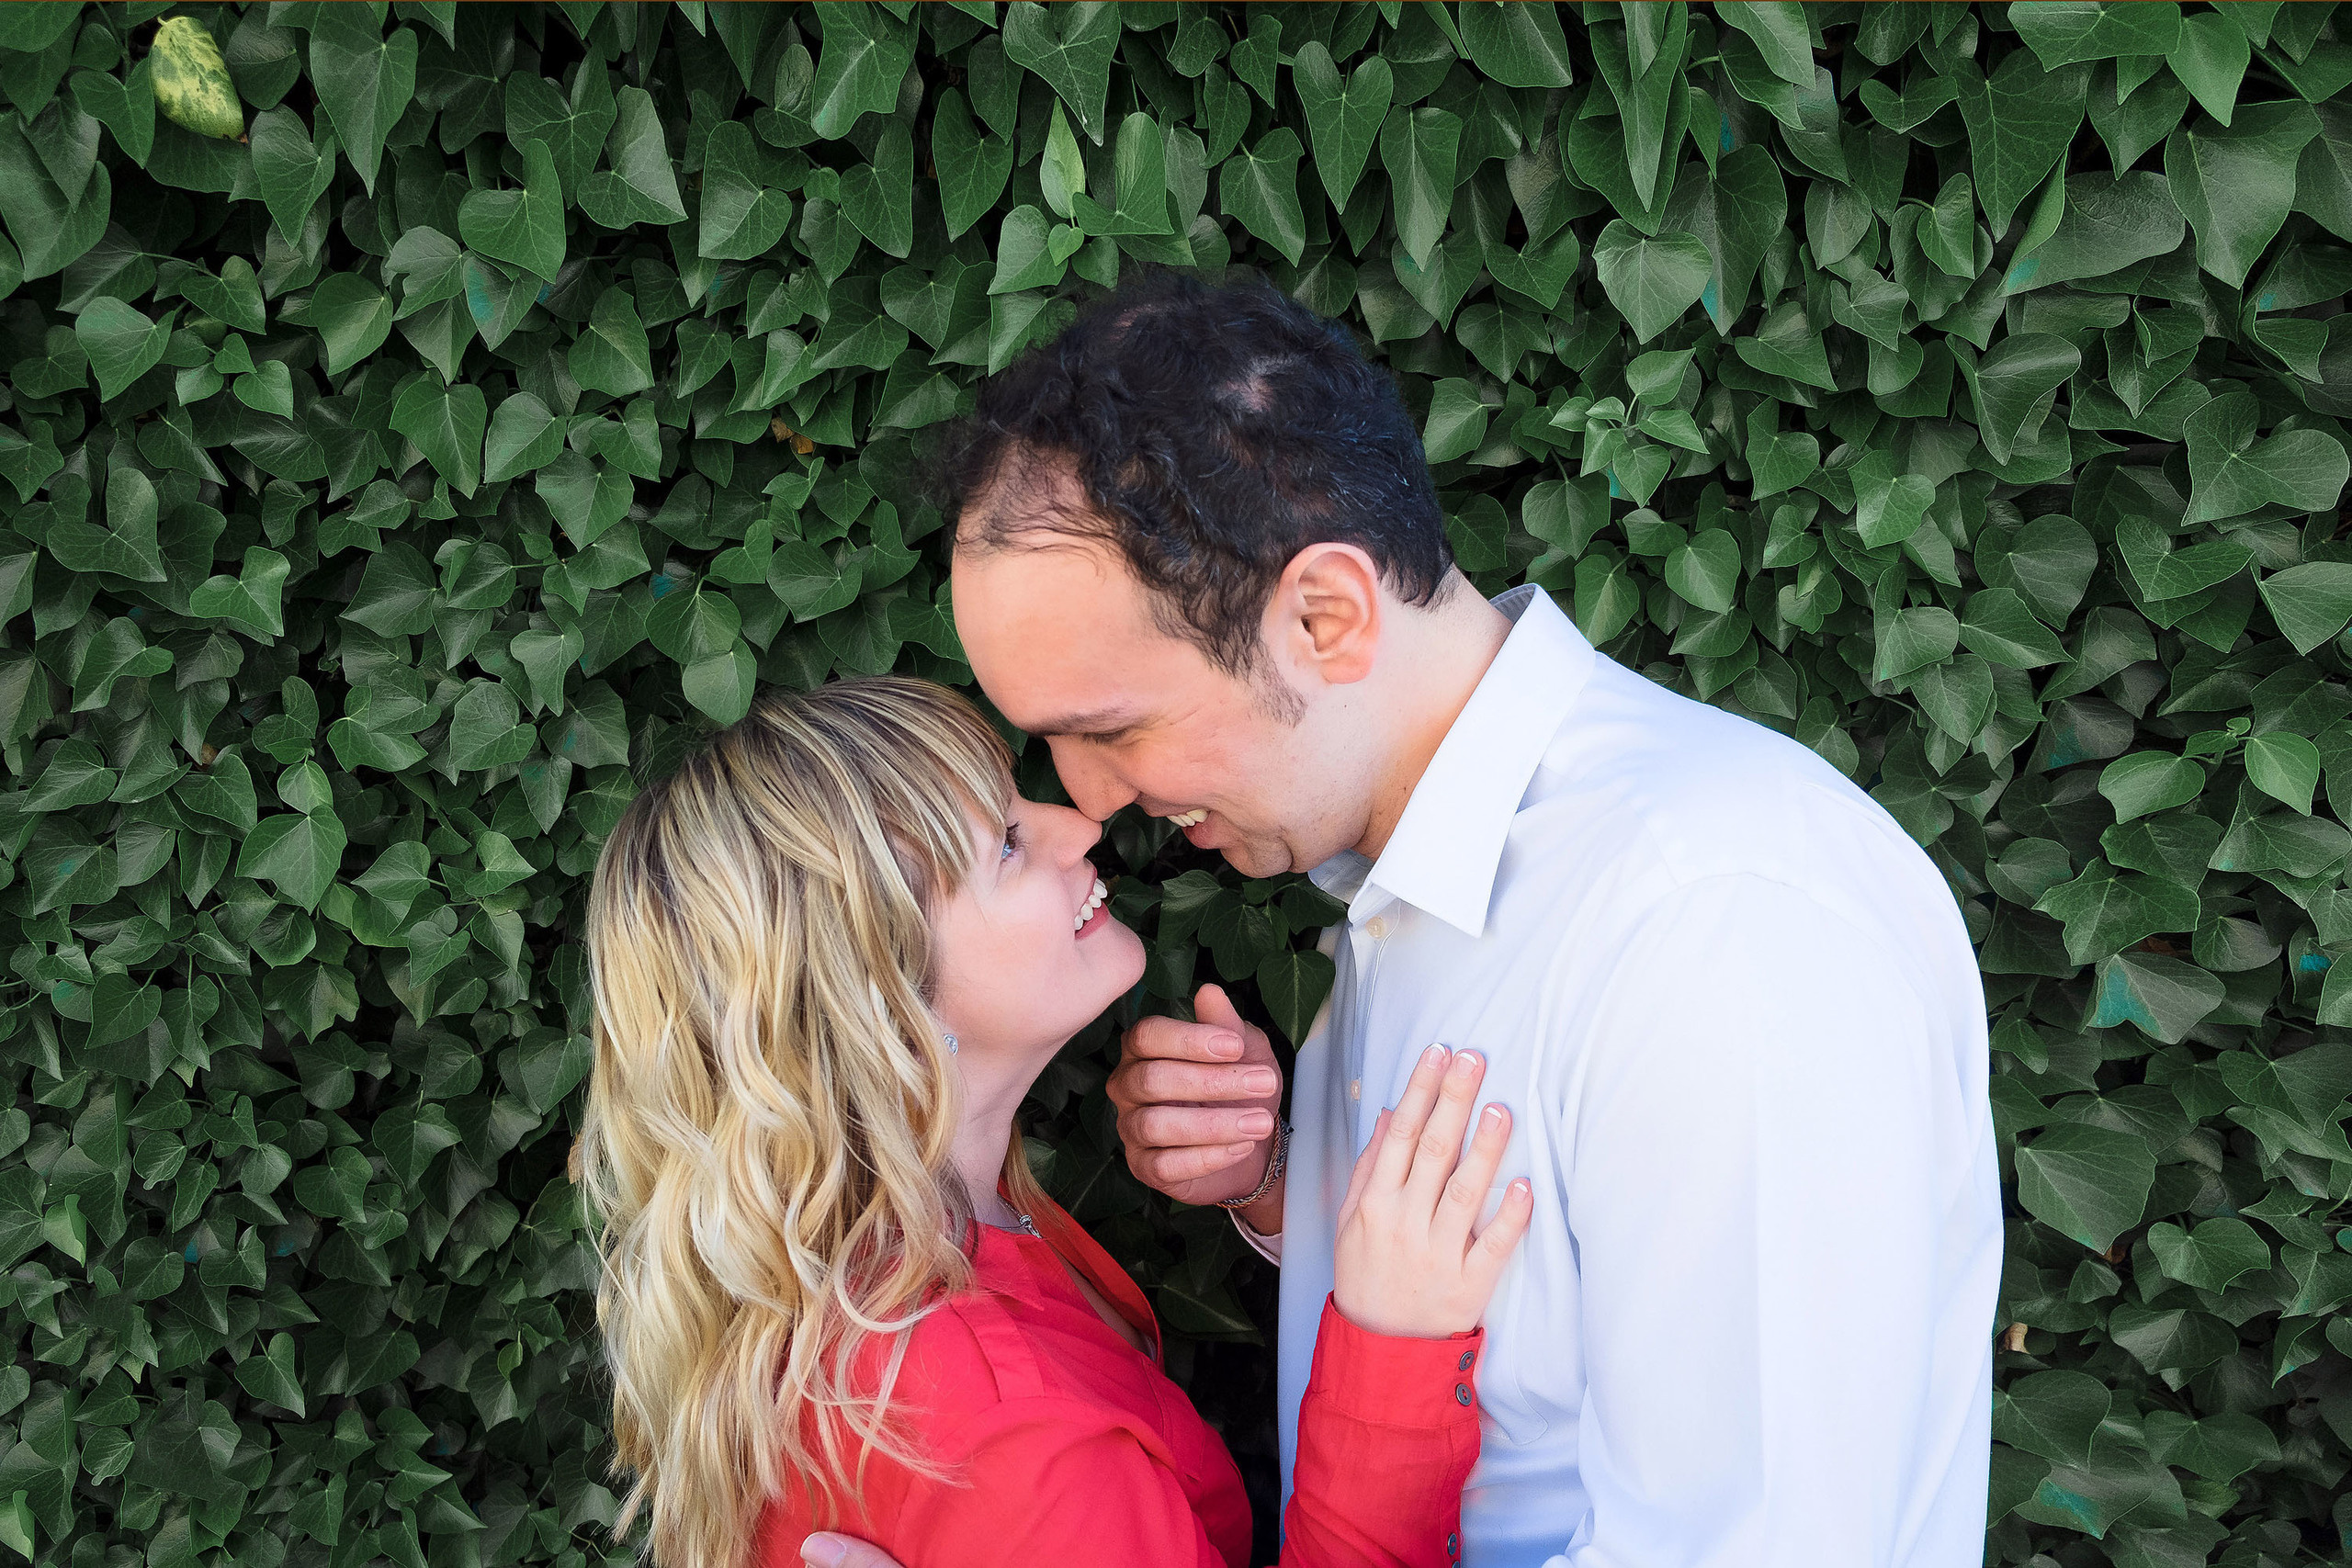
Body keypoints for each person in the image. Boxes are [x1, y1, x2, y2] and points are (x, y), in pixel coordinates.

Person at [832, 273, 2004, 1567]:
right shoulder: (1415, 877)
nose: (1092, 801)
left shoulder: (1717, 925)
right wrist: (1286, 1183)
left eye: (1111, 730)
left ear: (1326, 616)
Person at [576, 676, 1535, 1568]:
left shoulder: (906, 1251)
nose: (1078, 826)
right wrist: (1390, 1350)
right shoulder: (998, 1424)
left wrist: (1270, 1180)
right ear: (882, 1004)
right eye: (1001, 843)